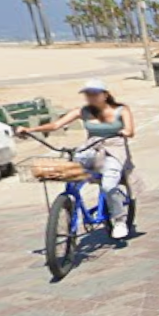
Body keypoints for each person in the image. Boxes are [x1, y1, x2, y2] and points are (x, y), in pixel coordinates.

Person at [19, 79, 140, 239]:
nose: (91, 98)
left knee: (109, 185)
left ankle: (119, 220)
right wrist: (29, 129)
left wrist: (124, 132)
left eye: (95, 94)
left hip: (114, 149)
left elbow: (130, 131)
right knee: (69, 171)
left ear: (105, 95)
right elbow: (56, 125)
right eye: (88, 94)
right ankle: (65, 209)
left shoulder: (121, 110)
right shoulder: (82, 111)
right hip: (90, 148)